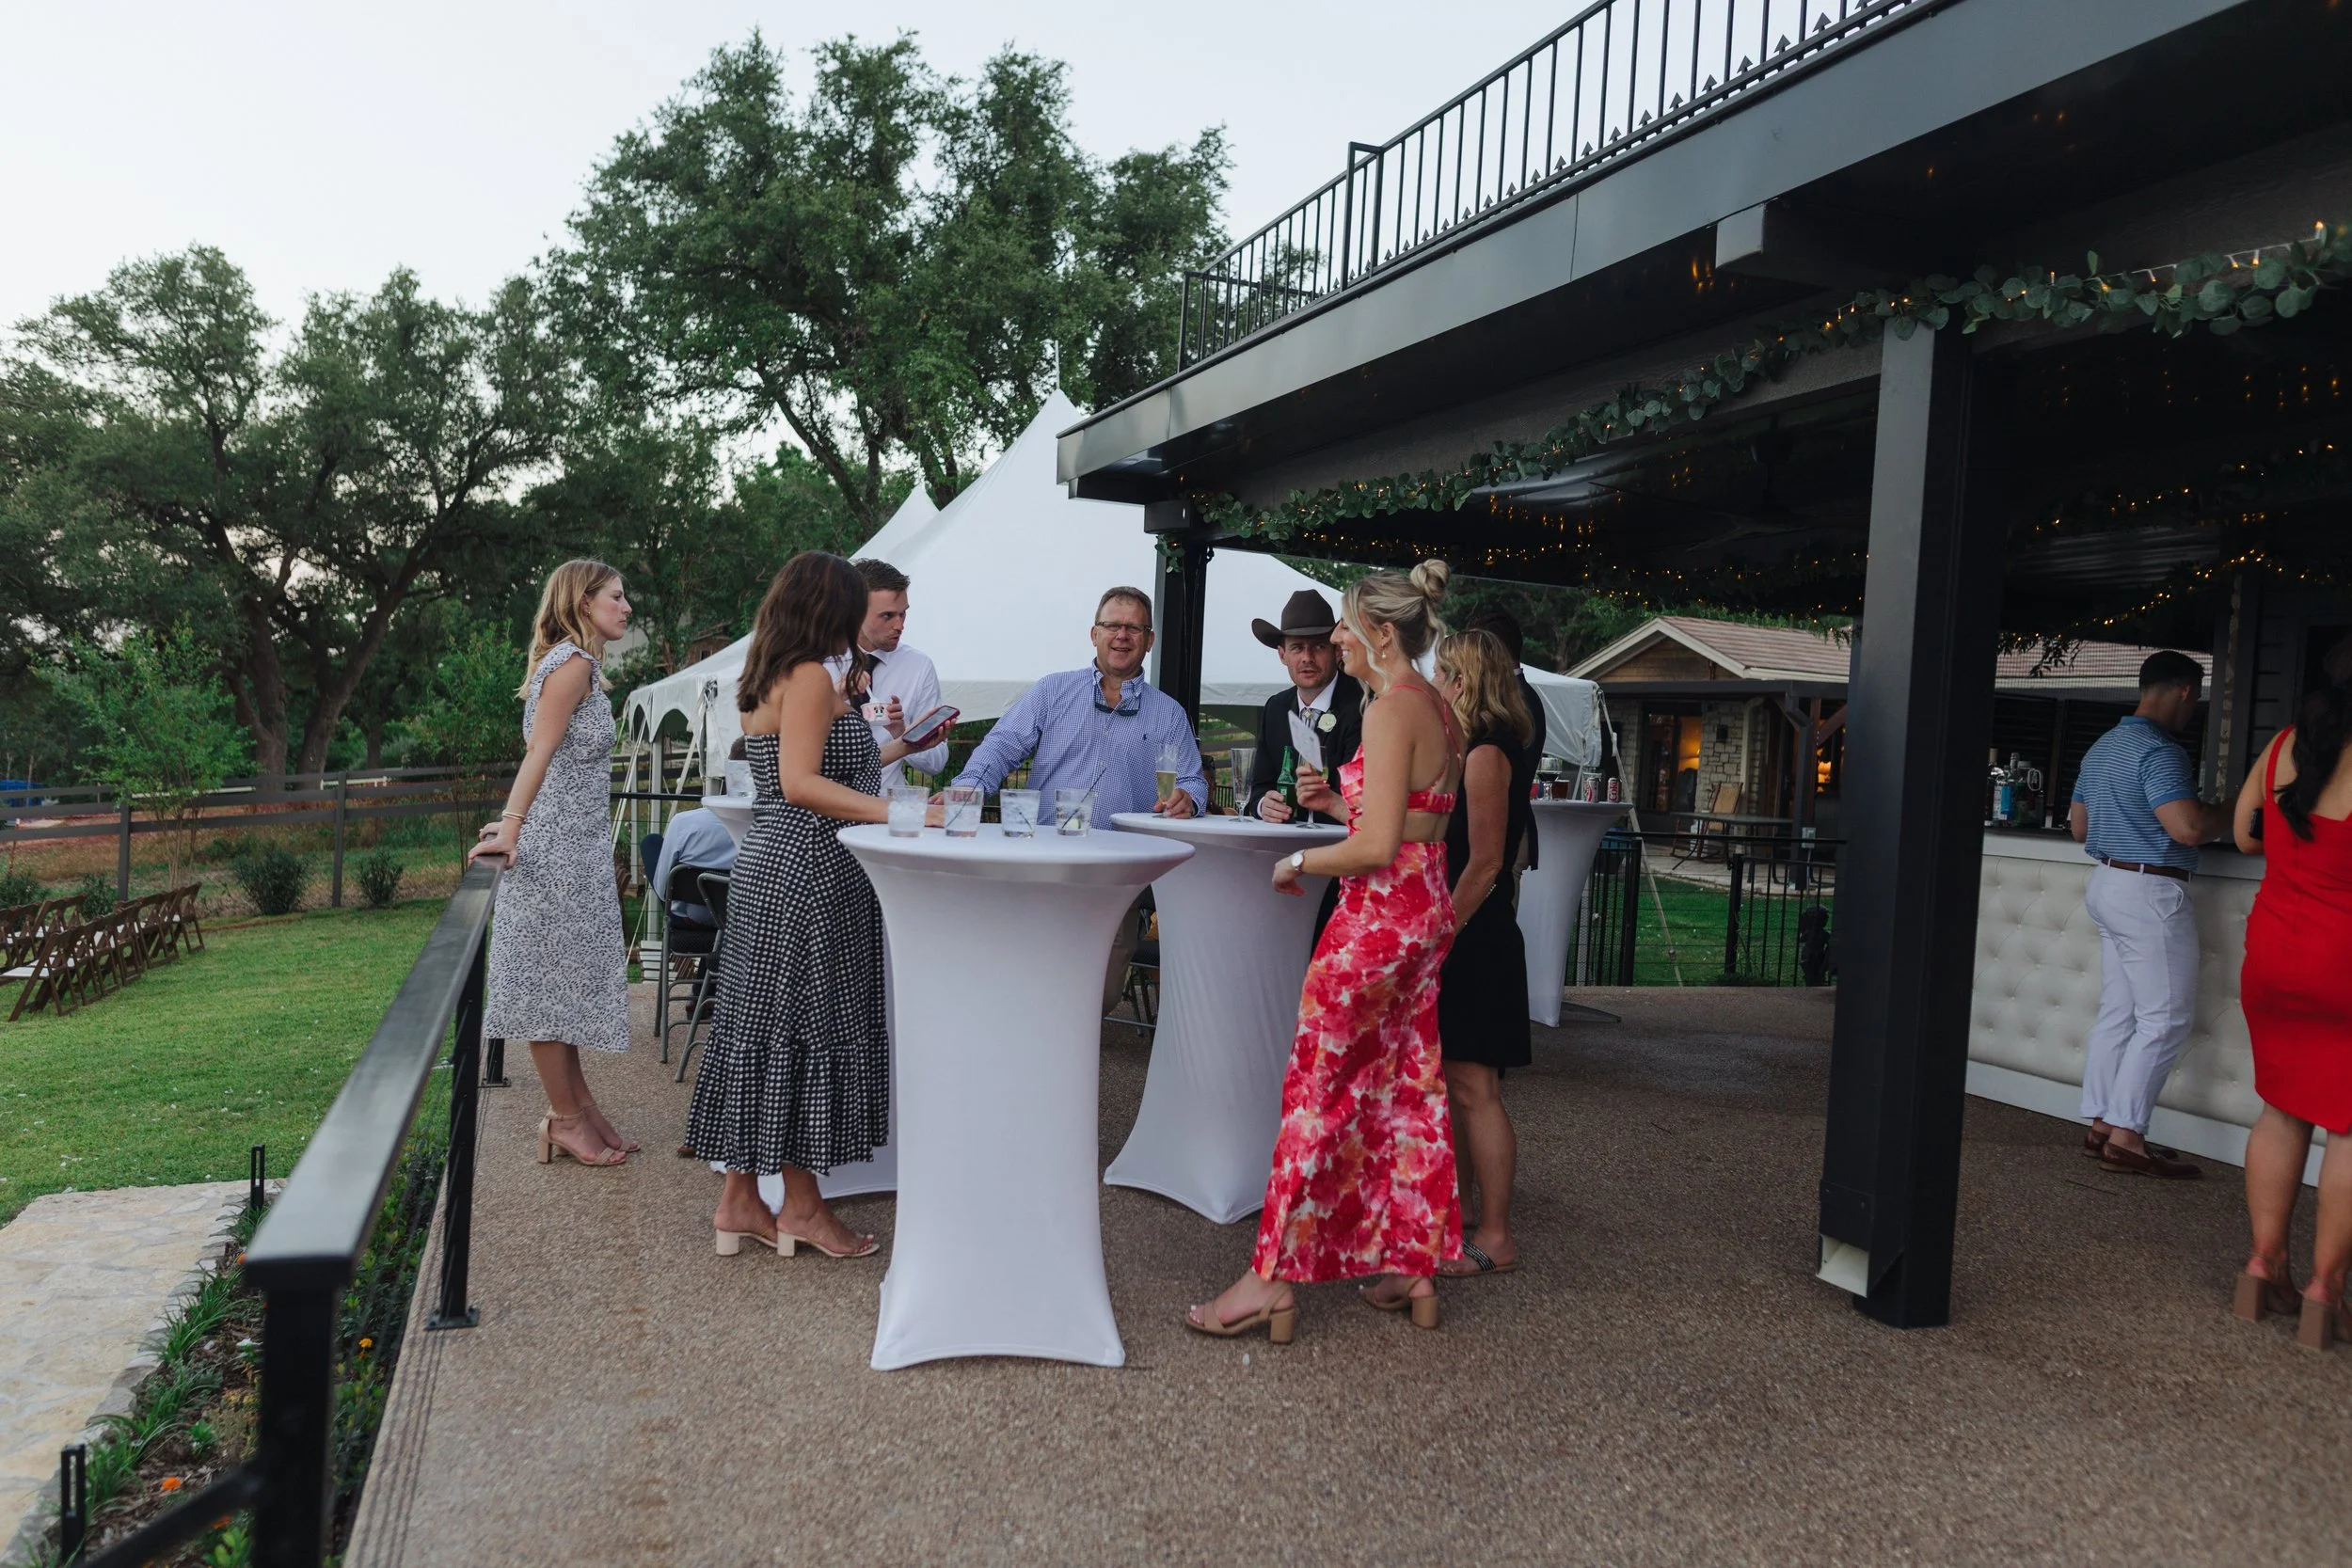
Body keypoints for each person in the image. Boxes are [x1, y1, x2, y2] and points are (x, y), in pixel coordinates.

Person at [1187, 559, 1464, 1341]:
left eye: (1344, 625)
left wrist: (1300, 860)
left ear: (1380, 632)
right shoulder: (1440, 708)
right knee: (1407, 1083)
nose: (1336, 639)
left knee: (1317, 1091)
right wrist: (1337, 806)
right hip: (1424, 913)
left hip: (1375, 921)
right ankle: (1412, 1261)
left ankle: (1268, 1279)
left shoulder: (1388, 709)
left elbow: (1375, 846)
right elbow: (1414, 823)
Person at [682, 551, 926, 1261]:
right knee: (806, 1027)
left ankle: (740, 1199)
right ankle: (804, 1208)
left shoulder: (771, 674)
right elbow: (800, 783)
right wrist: (903, 814)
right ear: (830, 608)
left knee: (764, 1027)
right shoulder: (812, 674)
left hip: (771, 864)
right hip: (810, 869)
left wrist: (879, 733)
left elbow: (810, 765)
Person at [952, 586, 1209, 1014]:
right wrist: (966, 791)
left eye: (1134, 628)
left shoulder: (1168, 713)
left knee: (1099, 994)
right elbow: (1001, 746)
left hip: (1118, 873)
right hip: (1042, 861)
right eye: (1112, 625)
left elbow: (1191, 782)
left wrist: (1190, 800)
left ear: (1149, 640)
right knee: (1025, 973)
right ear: (1094, 634)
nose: (1122, 635)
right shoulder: (1052, 691)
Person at [471, 560, 637, 1167]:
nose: (626, 607)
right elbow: (539, 750)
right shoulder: (570, 664)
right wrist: (514, 826)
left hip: (575, 847)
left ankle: (582, 1108)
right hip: (554, 853)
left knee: (563, 986)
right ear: (584, 601)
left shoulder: (580, 665)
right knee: (547, 989)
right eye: (615, 596)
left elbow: (555, 756)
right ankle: (564, 1120)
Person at [2067, 649, 2233, 1178]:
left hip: (2107, 883)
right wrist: (2236, 809)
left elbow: (2079, 828)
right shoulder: (2161, 751)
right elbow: (2188, 828)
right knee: (2165, 1018)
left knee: (2120, 1012)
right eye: (2196, 696)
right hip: (2149, 890)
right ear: (2185, 690)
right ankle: (2127, 1137)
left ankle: (2101, 1124)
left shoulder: (2103, 746)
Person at [2230, 635, 2352, 1349]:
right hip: (2344, 964)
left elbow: (2248, 836)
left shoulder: (2283, 747)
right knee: (2349, 1127)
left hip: (2275, 951)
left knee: (2280, 1110)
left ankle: (2262, 1265)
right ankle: (2324, 1291)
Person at [1431, 629, 1535, 1278]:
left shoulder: (1487, 754)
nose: (1436, 684)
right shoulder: (1482, 747)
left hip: (1476, 936)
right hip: (1471, 932)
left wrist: (1441, 931)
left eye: (1443, 673)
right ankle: (1464, 1211)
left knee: (1476, 1088)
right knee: (1457, 1082)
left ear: (1465, 681)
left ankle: (1496, 1235)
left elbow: (1488, 861)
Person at [1244, 590, 1363, 825]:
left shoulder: (1362, 706)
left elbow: (1361, 802)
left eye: (1318, 647)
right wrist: (1263, 805)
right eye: (1297, 648)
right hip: (1281, 842)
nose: (1307, 657)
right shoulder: (1276, 708)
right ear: (1282, 655)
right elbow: (1259, 788)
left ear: (1337, 651)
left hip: (1344, 842)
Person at [852, 558, 950, 793]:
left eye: (903, 614)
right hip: (823, 804)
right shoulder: (822, 662)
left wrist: (903, 734)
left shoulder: (918, 666)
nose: (899, 625)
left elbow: (936, 763)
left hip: (886, 808)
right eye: (887, 616)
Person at [654, 740, 743, 930]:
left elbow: (663, 889)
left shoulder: (685, 824)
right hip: (748, 917)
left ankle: (676, 922)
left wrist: (677, 908)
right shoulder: (777, 829)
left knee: (651, 844)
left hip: (697, 919)